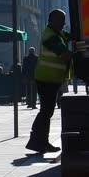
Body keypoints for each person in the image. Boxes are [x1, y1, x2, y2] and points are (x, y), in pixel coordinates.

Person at [26, 9, 72, 154]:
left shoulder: (58, 33)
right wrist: (76, 52)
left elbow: (70, 36)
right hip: (46, 79)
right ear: (51, 20)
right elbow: (64, 55)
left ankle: (41, 143)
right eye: (61, 20)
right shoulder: (50, 36)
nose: (64, 23)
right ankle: (36, 141)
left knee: (47, 111)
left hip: (51, 79)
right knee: (46, 111)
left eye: (64, 20)